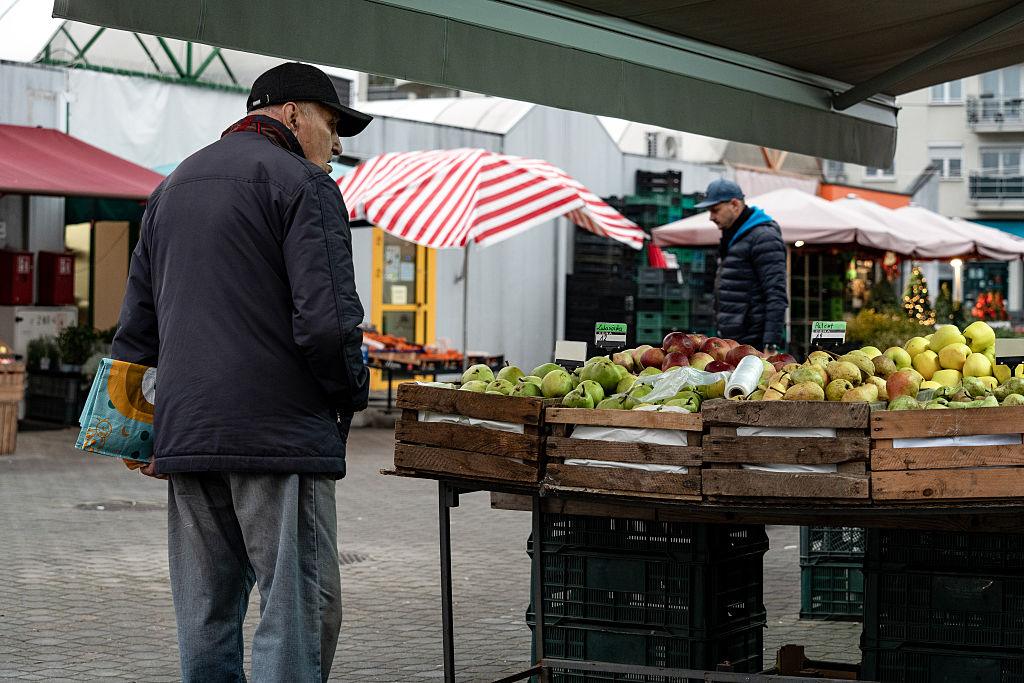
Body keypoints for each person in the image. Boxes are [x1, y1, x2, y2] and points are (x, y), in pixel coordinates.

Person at [111, 62, 372, 682]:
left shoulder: (171, 187)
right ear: (292, 114)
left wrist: (138, 430)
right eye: (333, 124)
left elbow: (136, 330)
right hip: (278, 435)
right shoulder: (305, 185)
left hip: (188, 435)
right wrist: (348, 397)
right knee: (296, 610)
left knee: (205, 614)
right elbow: (328, 324)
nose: (337, 145)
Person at [696, 178, 788, 352]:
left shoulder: (763, 237)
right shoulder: (736, 236)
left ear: (735, 204)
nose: (711, 217)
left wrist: (771, 343)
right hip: (734, 341)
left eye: (715, 210)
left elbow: (776, 293)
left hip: (754, 344)